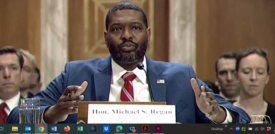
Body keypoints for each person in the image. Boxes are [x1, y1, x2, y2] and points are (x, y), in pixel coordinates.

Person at [7, 1, 250, 124]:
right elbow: (16, 116)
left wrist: (216, 113)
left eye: (135, 28)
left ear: (149, 34)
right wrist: (53, 113)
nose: (126, 36)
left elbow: (241, 118)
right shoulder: (76, 73)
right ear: (105, 37)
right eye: (116, 29)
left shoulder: (181, 77)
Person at [233, 47, 275, 124]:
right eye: (247, 71)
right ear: (236, 76)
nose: (253, 77)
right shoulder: (224, 113)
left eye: (260, 72)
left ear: (267, 77)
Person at [0, 46, 24, 123]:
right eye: (0, 69)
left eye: (13, 68)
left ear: (21, 74)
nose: (7, 75)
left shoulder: (37, 111)